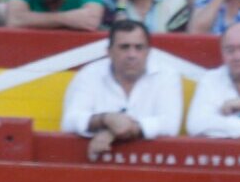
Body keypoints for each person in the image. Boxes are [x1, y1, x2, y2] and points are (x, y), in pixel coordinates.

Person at [60, 20, 183, 159]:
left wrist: (115, 132)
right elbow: (69, 121)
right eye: (124, 47)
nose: (132, 55)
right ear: (109, 52)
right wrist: (105, 119)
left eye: (139, 47)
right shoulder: (90, 74)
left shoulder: (166, 75)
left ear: (148, 51)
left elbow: (169, 125)